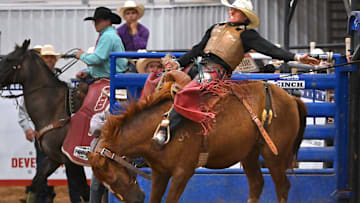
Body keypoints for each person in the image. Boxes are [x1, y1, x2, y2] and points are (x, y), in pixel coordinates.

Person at [152, 0, 319, 146]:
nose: (231, 12)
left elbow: (270, 49)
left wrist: (296, 57)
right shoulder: (215, 28)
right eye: (232, 9)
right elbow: (197, 49)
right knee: (160, 85)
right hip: (198, 67)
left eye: (236, 10)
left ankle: (164, 134)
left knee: (188, 93)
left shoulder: (246, 34)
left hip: (217, 72)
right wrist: (178, 63)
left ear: (245, 16)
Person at [18, 45, 58, 203]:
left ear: (55, 61)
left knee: (51, 167)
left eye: (51, 58)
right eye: (46, 57)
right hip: (42, 134)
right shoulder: (33, 82)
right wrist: (27, 128)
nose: (49, 60)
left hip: (59, 132)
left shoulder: (60, 80)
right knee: (42, 166)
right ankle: (39, 196)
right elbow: (23, 109)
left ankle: (36, 194)